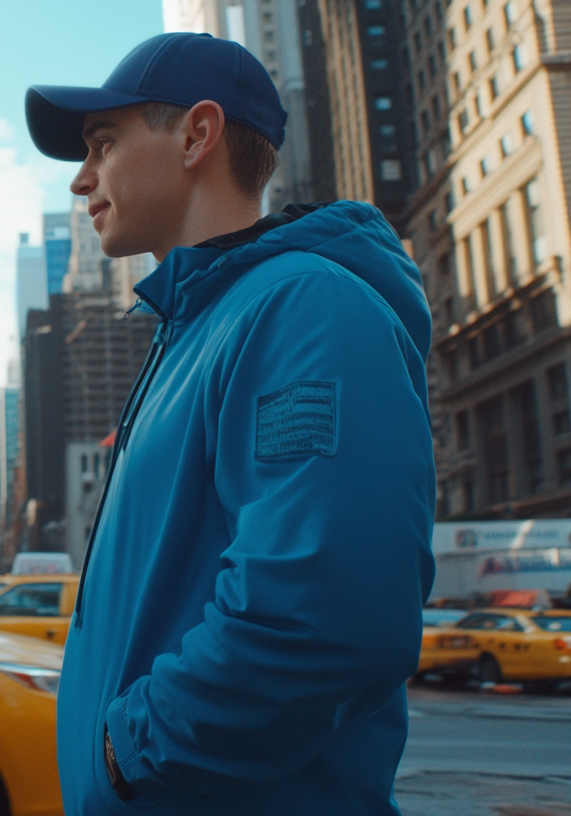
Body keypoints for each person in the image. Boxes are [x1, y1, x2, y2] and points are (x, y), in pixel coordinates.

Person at [25, 33, 435, 815]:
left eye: (102, 144)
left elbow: (324, 621)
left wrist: (125, 751)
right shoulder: (194, 331)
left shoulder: (304, 309)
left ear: (196, 135)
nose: (82, 180)